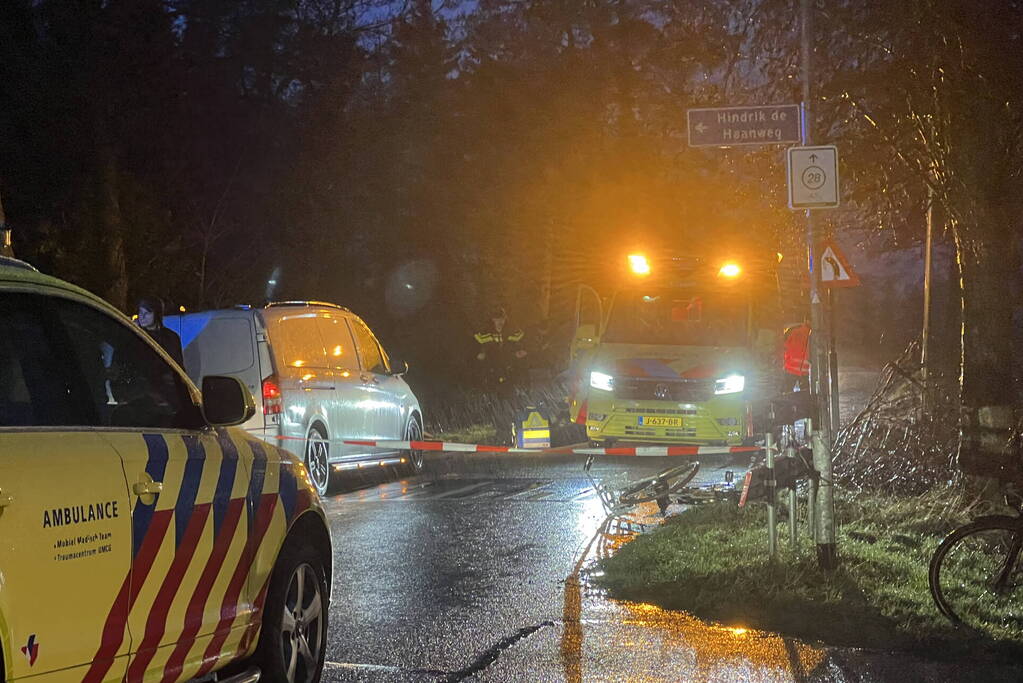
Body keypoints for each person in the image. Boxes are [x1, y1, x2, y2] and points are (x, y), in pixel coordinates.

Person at [473, 306, 527, 394]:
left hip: (509, 362)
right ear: (493, 320)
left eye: (502, 319)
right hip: (491, 363)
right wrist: (480, 353)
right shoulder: (485, 333)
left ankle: (519, 390)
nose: (500, 322)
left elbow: (522, 343)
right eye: (497, 319)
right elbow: (476, 346)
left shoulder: (512, 331)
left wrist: (521, 351)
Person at [136, 297, 184, 367]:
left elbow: (178, 366)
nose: (142, 316)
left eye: (147, 313)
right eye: (140, 312)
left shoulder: (171, 338)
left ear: (156, 314)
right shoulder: (136, 335)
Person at [781, 321, 811, 393]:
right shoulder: (812, 334)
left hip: (790, 368)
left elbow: (785, 346)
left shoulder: (793, 331)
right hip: (804, 371)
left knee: (786, 394)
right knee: (805, 396)